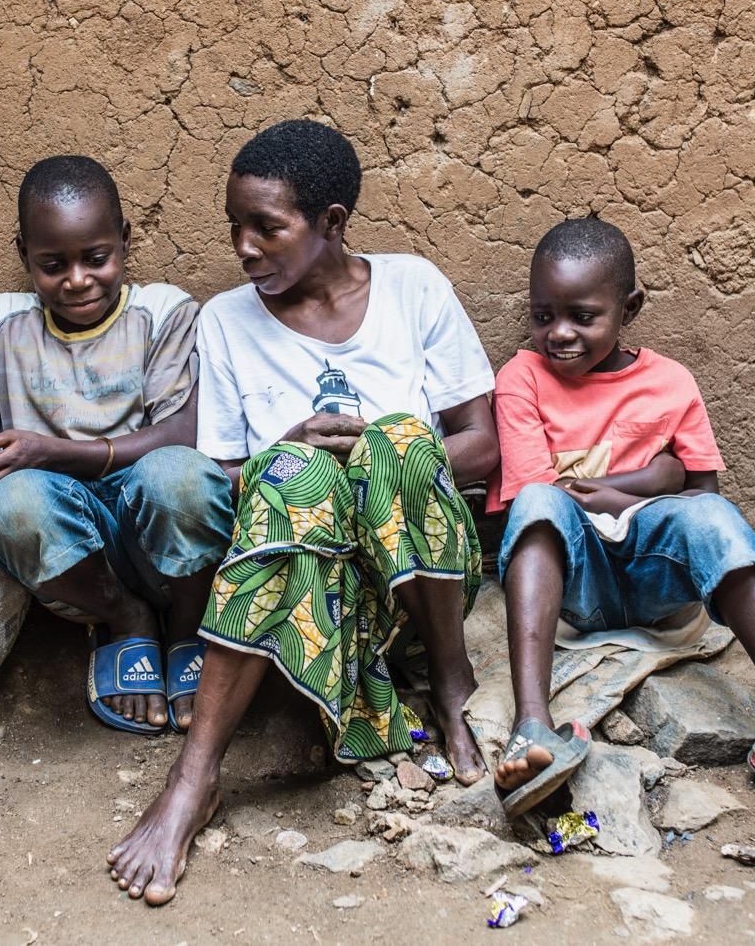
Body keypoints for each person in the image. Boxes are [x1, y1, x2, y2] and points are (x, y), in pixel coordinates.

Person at [107, 119, 500, 905]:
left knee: (395, 440)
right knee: (294, 471)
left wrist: (380, 457)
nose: (245, 247)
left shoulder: (414, 286)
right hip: (304, 599)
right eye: (235, 228)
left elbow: (484, 447)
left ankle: (452, 680)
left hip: (420, 578)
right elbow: (225, 475)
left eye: (267, 227)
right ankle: (196, 774)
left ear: (332, 223)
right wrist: (292, 447)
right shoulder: (225, 320)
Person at [488, 216, 755, 825]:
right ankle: (533, 727)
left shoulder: (670, 383)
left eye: (583, 317)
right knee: (535, 504)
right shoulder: (521, 378)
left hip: (663, 591)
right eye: (543, 316)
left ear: (629, 307)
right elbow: (538, 496)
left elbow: (700, 497)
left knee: (714, 515)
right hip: (576, 591)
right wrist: (652, 480)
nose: (559, 334)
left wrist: (623, 490)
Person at [0, 155, 232, 735]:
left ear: (126, 242)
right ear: (23, 255)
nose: (77, 280)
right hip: (76, 552)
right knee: (14, 504)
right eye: (53, 264)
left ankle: (186, 627)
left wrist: (52, 451)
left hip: (155, 522)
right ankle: (124, 620)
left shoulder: (163, 311)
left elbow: (182, 434)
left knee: (181, 475)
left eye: (96, 258)